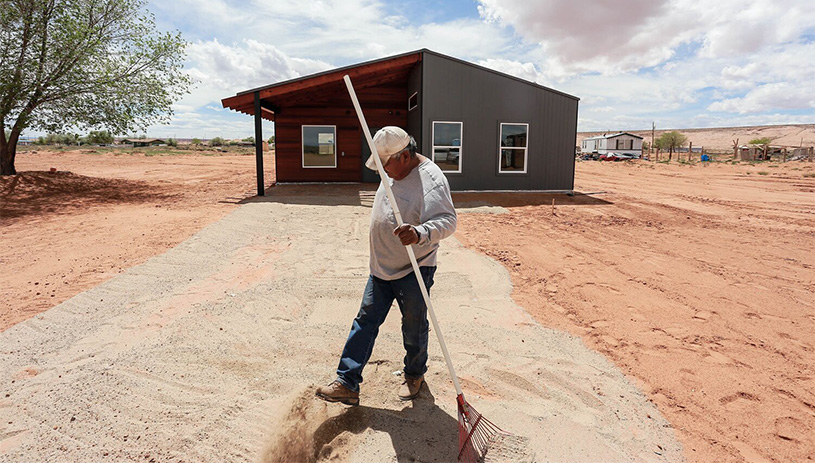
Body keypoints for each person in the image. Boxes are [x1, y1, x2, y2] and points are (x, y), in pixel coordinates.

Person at [316, 126, 457, 406]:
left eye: (386, 164)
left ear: (404, 156)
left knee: (413, 325)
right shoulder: (392, 169)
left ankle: (414, 374)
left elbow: (448, 221)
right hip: (381, 267)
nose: (381, 171)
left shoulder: (432, 180)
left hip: (414, 267)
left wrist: (419, 232)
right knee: (365, 321)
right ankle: (347, 382)